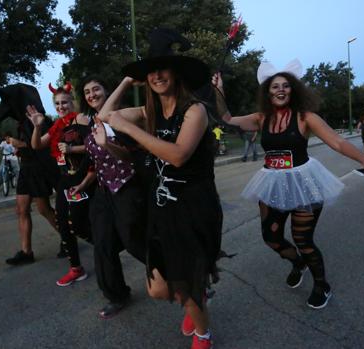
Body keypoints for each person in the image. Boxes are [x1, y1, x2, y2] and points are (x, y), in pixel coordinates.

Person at [216, 59, 364, 309]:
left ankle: (321, 285)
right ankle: (297, 263)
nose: (280, 90)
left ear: (293, 89)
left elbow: (337, 142)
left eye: (285, 85)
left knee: (303, 240)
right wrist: (219, 91)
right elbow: (227, 119)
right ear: (267, 91)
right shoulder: (261, 118)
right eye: (275, 87)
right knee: (271, 237)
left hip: (305, 184)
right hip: (272, 183)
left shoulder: (306, 117)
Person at [99, 29, 222, 349]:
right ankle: (195, 293)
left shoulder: (195, 111)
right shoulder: (148, 114)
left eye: (162, 68)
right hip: (161, 209)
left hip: (193, 210)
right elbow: (104, 116)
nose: (156, 75)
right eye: (150, 70)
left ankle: (203, 333)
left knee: (183, 281)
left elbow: (178, 155)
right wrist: (129, 80)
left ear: (176, 72)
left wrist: (128, 130)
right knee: (159, 289)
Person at [78, 75, 147, 319]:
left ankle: (184, 278)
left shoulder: (122, 117)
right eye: (87, 92)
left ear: (107, 92)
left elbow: (131, 157)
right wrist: (83, 183)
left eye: (96, 89)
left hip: (128, 187)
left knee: (135, 240)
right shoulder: (89, 125)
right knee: (103, 243)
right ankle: (117, 295)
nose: (92, 94)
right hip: (103, 191)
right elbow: (94, 162)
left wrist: (107, 144)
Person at [28, 82, 96, 287]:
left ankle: (106, 246)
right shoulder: (58, 125)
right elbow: (37, 145)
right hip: (65, 181)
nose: (61, 107)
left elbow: (95, 146)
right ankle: (76, 268)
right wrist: (38, 126)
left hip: (84, 179)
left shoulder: (81, 119)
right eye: (57, 104)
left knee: (77, 224)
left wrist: (71, 149)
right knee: (63, 224)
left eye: (64, 102)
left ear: (73, 102)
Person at [0, 84, 63, 266]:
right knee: (21, 209)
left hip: (38, 170)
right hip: (26, 169)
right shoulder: (22, 120)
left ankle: (67, 238)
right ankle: (26, 252)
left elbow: (40, 146)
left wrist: (19, 143)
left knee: (43, 209)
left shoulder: (41, 120)